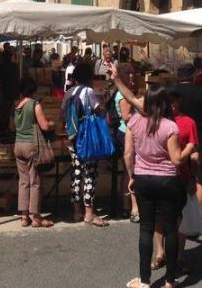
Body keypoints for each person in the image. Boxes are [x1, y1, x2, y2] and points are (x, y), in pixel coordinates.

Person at [123, 87, 185, 288]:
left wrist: (132, 175)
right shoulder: (170, 126)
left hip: (143, 177)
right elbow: (176, 160)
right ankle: (170, 280)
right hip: (167, 180)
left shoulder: (135, 122)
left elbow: (128, 153)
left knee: (146, 228)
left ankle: (144, 280)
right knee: (170, 228)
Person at [152, 90, 198, 275]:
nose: (172, 105)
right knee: (158, 217)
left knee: (179, 218)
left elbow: (194, 151)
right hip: (158, 177)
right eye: (168, 102)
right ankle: (160, 253)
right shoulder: (155, 122)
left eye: (174, 102)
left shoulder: (188, 122)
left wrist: (194, 177)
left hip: (181, 176)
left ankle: (180, 256)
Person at [62, 63, 108, 227]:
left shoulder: (68, 93)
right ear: (89, 77)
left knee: (76, 173)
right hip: (87, 137)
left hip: (72, 137)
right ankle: (89, 213)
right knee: (90, 173)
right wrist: (103, 104)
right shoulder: (88, 92)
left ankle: (76, 211)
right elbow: (98, 110)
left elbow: (64, 113)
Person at [170, 63, 202, 208]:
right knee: (200, 176)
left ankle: (179, 210)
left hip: (173, 136)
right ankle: (198, 213)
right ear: (194, 75)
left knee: (176, 173)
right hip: (197, 138)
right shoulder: (201, 93)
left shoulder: (171, 92)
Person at [13, 78, 54, 228]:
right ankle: (36, 216)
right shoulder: (35, 104)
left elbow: (12, 125)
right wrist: (51, 124)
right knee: (35, 181)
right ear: (33, 90)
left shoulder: (16, 106)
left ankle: (24, 217)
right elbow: (44, 125)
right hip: (32, 145)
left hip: (18, 145)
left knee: (23, 181)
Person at [114, 63, 139, 222]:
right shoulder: (124, 95)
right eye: (127, 73)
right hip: (127, 133)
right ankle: (129, 205)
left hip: (127, 132)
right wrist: (144, 111)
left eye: (132, 73)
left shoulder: (127, 93)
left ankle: (128, 205)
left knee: (128, 170)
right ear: (120, 76)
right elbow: (126, 116)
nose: (131, 76)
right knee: (130, 170)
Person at [0, 50, 20, 132]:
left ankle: (6, 125)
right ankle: (10, 125)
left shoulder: (1, 66)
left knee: (7, 108)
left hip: (6, 90)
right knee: (12, 109)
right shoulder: (15, 66)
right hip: (14, 89)